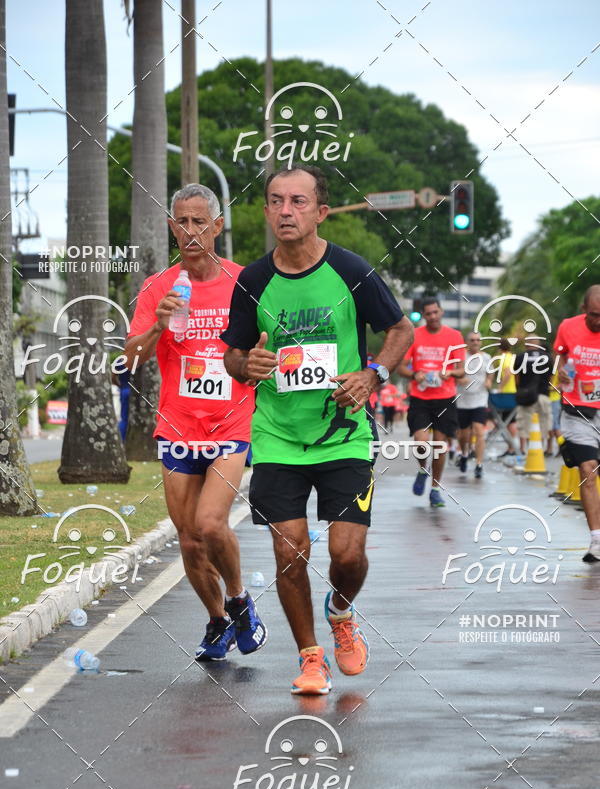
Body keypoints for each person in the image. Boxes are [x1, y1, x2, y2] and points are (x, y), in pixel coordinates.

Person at [221, 165, 413, 695]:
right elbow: (234, 355)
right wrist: (248, 365)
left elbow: (401, 328)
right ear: (265, 211)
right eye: (277, 201)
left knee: (347, 554)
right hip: (279, 436)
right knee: (290, 552)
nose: (286, 210)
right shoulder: (253, 281)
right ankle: (310, 658)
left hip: (344, 433)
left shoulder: (351, 271)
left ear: (320, 212)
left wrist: (373, 375)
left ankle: (342, 612)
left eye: (298, 201)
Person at [124, 183, 268, 660]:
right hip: (178, 426)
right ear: (172, 227)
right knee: (188, 540)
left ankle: (241, 597)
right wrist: (157, 326)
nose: (190, 231)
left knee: (210, 524)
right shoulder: (158, 287)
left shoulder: (246, 282)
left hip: (230, 424)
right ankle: (217, 621)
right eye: (181, 222)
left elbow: (271, 341)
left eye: (199, 222)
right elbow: (130, 359)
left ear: (217, 226)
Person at [397, 299, 465, 507]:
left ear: (441, 312)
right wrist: (414, 374)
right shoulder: (415, 335)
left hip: (445, 398)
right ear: (423, 316)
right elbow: (401, 367)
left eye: (436, 312)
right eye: (428, 314)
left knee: (440, 447)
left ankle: (435, 489)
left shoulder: (454, 336)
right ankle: (421, 469)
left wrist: (450, 372)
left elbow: (462, 370)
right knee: (421, 442)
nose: (433, 316)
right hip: (420, 398)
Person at [554, 286, 600, 563]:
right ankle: (596, 540)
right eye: (594, 315)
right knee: (587, 469)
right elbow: (560, 353)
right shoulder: (567, 327)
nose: (599, 321)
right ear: (584, 310)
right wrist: (561, 369)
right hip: (577, 411)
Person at [455, 331, 492, 478]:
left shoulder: (487, 358)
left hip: (480, 399)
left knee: (479, 431)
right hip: (463, 400)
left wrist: (489, 381)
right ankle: (464, 454)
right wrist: (460, 380)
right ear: (467, 342)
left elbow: (490, 374)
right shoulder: (461, 356)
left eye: (478, 340)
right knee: (463, 434)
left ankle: (479, 464)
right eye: (472, 340)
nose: (475, 342)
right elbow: (454, 374)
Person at [514, 338, 552, 455]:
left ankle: (523, 449)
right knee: (542, 422)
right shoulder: (548, 357)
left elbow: (517, 377)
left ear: (526, 344)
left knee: (524, 422)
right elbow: (551, 376)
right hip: (543, 395)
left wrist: (519, 389)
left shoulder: (520, 357)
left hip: (526, 395)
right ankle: (539, 448)